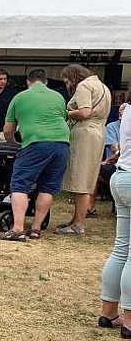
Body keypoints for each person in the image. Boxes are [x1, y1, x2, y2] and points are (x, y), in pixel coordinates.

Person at [0, 69, 70, 241]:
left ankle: (18, 229)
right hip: (62, 144)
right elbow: (63, 118)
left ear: (28, 82)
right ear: (46, 82)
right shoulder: (58, 97)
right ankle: (35, 229)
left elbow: (7, 130)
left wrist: (14, 144)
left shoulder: (20, 97)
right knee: (48, 187)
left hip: (36, 143)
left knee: (20, 184)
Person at [56, 64, 112, 234]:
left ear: (74, 77)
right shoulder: (102, 86)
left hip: (85, 134)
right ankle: (75, 220)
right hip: (98, 132)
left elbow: (85, 112)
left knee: (82, 180)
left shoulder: (84, 86)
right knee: (86, 178)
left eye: (67, 81)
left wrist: (66, 113)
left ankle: (78, 224)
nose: (67, 86)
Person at [100, 102, 131, 338]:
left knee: (121, 249)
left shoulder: (127, 109)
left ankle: (109, 313)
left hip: (121, 178)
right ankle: (129, 321)